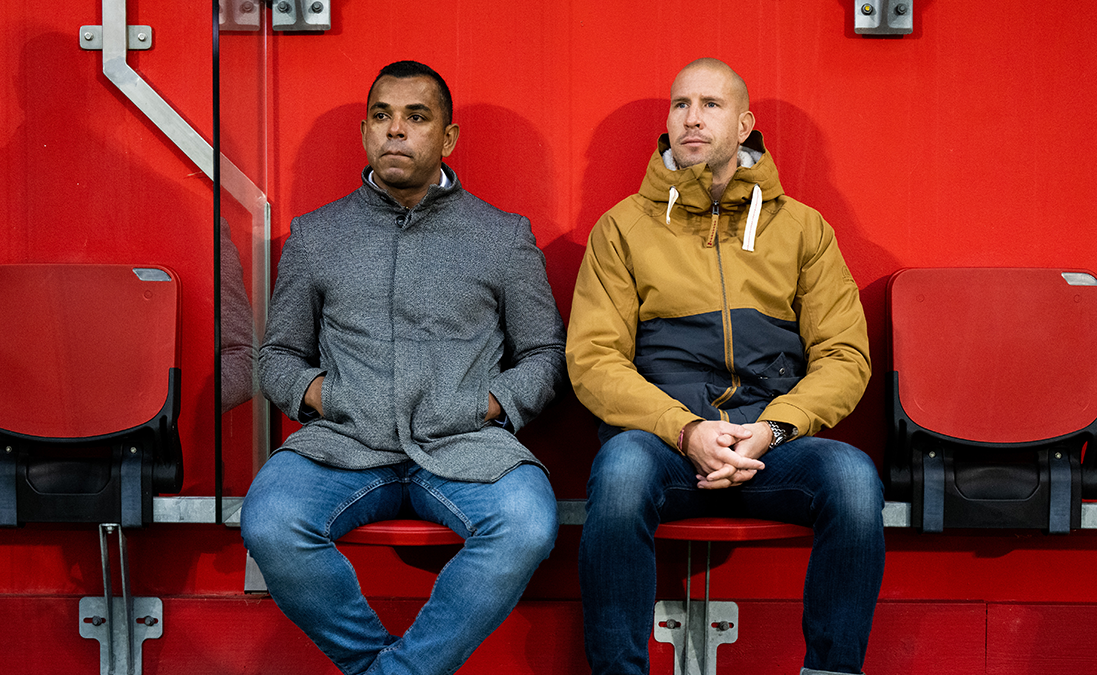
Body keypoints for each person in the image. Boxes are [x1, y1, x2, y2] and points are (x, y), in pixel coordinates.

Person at [241, 61, 566, 675]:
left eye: (417, 117)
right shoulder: (316, 235)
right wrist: (326, 397)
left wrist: (485, 406)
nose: (396, 130)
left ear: (448, 138)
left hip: (467, 446)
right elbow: (277, 357)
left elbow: (546, 355)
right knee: (271, 521)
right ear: (365, 132)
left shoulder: (502, 236)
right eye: (382, 117)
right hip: (343, 444)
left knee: (526, 523)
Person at [566, 58, 885, 675]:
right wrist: (686, 430)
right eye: (680, 104)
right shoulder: (622, 228)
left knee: (852, 479)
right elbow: (593, 358)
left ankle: (831, 670)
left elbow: (844, 355)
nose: (691, 118)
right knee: (621, 471)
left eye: (710, 105)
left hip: (770, 444)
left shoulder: (803, 229)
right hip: (665, 443)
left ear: (743, 125)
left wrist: (774, 428)